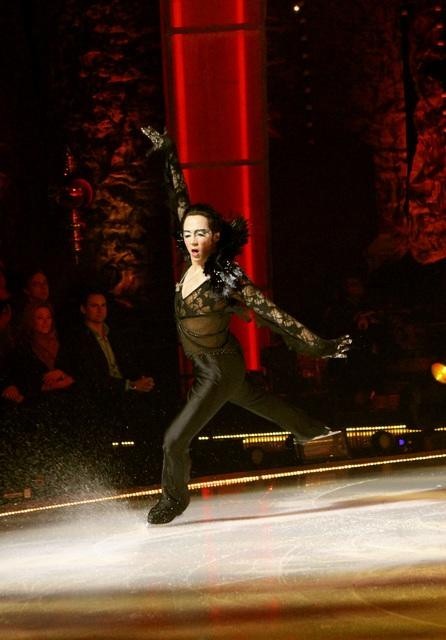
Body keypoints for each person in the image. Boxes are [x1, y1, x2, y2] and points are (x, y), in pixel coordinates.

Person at [141, 126, 351, 525]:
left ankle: (174, 500)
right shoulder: (189, 266)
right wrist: (168, 151)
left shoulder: (226, 276)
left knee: (174, 440)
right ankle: (314, 430)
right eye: (187, 233)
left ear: (216, 237)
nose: (192, 239)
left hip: (218, 366)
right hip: (215, 364)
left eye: (201, 233)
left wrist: (318, 345)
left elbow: (270, 312)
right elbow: (179, 198)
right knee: (259, 402)